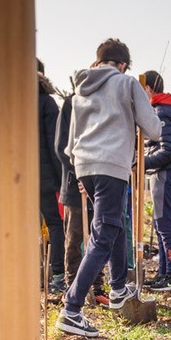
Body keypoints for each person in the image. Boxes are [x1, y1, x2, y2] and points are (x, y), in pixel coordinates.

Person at [56, 38, 161, 339]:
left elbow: (69, 143)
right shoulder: (127, 84)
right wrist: (146, 106)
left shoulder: (80, 90)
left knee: (113, 226)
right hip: (111, 166)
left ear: (98, 61)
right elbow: (153, 128)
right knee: (103, 236)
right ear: (124, 64)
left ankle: (117, 288)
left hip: (84, 166)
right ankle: (72, 309)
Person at [55, 87, 108, 307]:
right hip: (74, 184)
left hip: (98, 184)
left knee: (97, 238)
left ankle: (97, 287)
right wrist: (79, 175)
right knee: (74, 237)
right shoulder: (71, 104)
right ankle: (72, 287)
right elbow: (61, 147)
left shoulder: (105, 105)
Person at [142, 70, 171, 292]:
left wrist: (142, 162)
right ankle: (163, 272)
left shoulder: (161, 112)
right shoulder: (165, 109)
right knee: (161, 225)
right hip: (166, 172)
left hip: (167, 173)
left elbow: (169, 149)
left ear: (149, 88)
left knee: (165, 224)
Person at [37, 66, 65, 291]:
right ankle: (57, 275)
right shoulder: (47, 103)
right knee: (55, 225)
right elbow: (55, 144)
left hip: (19, 178)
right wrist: (62, 176)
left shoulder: (13, 101)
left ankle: (33, 271)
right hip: (46, 177)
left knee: (27, 225)